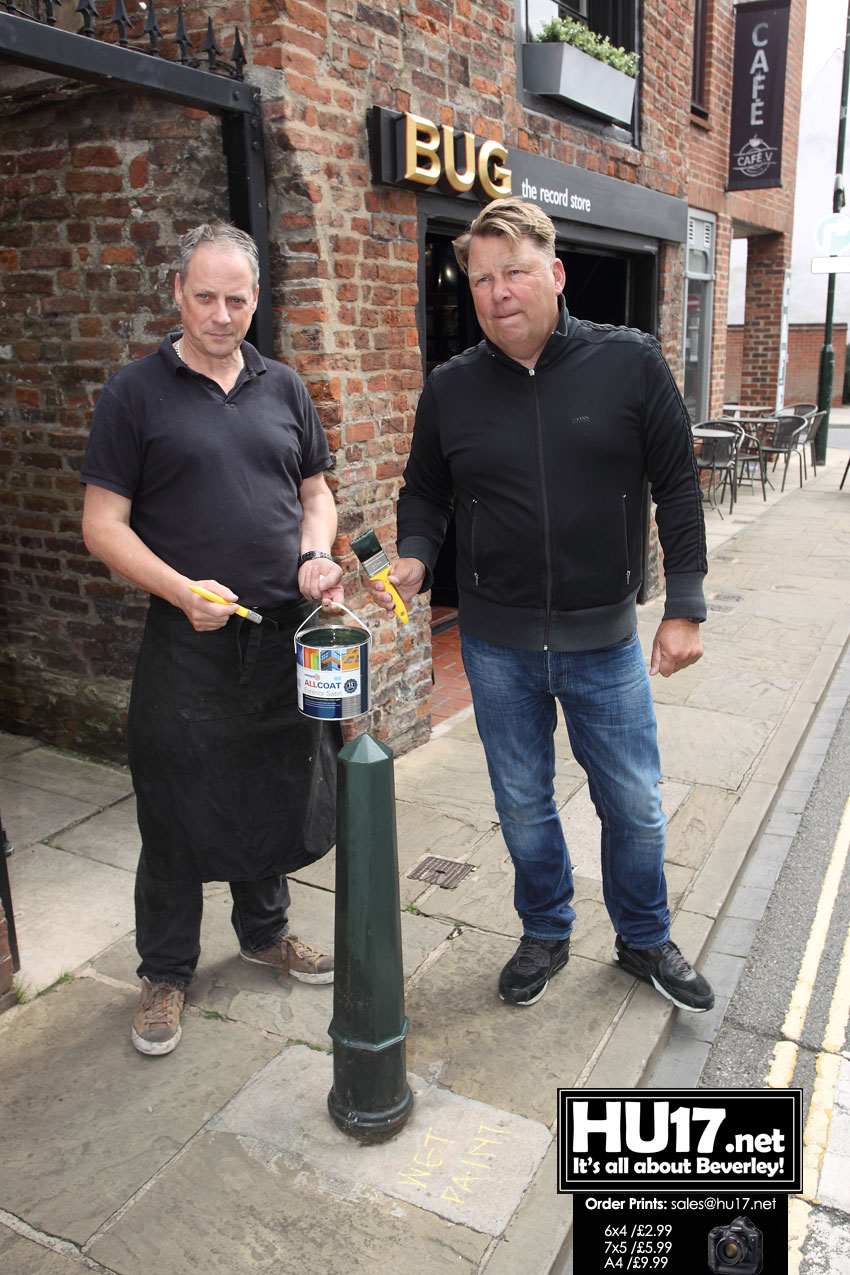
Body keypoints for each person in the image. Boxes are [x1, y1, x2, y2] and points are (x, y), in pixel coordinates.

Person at [371, 197, 715, 1013]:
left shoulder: (629, 363)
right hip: (496, 644)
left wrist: (686, 603)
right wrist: (416, 557)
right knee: (522, 803)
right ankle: (545, 931)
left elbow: (677, 485)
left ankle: (643, 936)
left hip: (603, 639)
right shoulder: (451, 388)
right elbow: (424, 491)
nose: (497, 293)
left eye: (514, 272)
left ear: (554, 273)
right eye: (481, 279)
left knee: (631, 800)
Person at [82, 222, 342, 1056]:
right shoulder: (133, 395)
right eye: (206, 297)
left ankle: (264, 932)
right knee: (174, 803)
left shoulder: (285, 387)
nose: (222, 315)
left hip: (277, 638)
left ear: (256, 300)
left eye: (237, 299)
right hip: (187, 639)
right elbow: (102, 525)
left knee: (268, 788)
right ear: (177, 295)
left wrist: (314, 554)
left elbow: (316, 496)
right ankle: (165, 971)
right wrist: (179, 588)